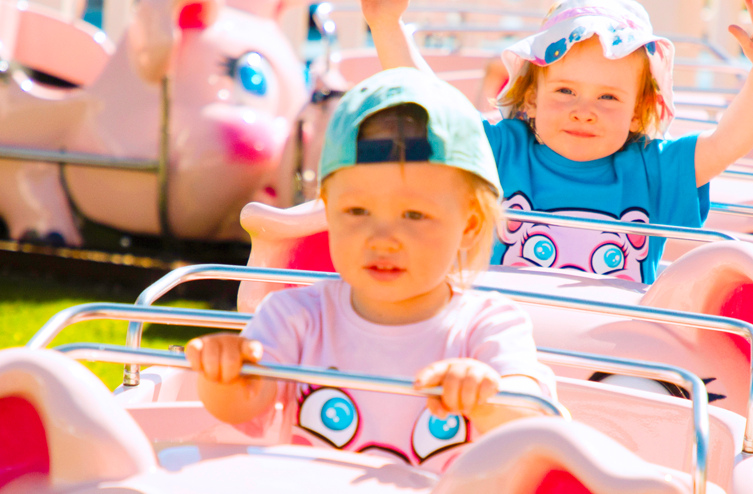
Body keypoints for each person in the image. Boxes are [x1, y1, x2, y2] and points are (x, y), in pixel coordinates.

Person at [348, 0, 753, 283]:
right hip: (498, 338)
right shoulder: (503, 149)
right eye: (564, 90)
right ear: (529, 99)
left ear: (638, 111)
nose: (582, 110)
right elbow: (433, 103)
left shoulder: (652, 168)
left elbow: (729, 142)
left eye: (608, 97)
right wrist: (386, 24)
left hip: (607, 354)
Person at [186, 69, 555, 469]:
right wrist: (224, 373)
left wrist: (486, 395)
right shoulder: (293, 315)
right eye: (357, 211)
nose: (382, 238)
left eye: (414, 214)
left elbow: (529, 419)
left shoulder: (489, 325)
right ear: (329, 212)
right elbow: (239, 408)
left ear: (468, 226)